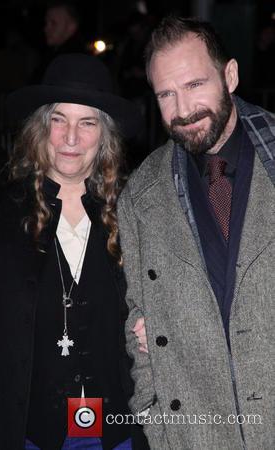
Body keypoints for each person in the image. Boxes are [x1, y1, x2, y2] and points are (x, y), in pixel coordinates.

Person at [117, 15, 275, 450]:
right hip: (197, 433)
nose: (183, 110)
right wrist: (156, 422)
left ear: (231, 75)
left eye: (194, 85)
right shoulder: (140, 194)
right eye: (166, 94)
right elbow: (138, 319)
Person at [0, 53, 146, 450]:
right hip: (29, 432)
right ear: (41, 127)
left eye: (87, 123)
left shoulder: (137, 214)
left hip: (117, 430)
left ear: (105, 135)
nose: (71, 138)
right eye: (59, 120)